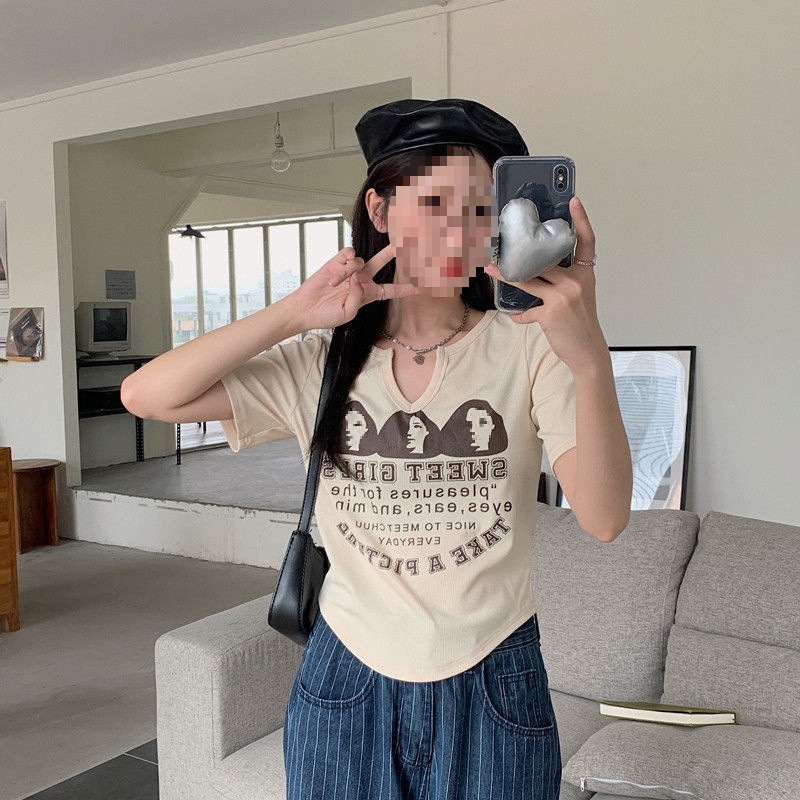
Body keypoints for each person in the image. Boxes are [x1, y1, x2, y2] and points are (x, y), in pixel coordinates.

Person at [121, 98, 632, 799]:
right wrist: (295, 313)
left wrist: (590, 356)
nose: (459, 230)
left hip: (493, 677)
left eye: (481, 209)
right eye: (434, 203)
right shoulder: (322, 362)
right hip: (347, 677)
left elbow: (605, 518)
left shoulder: (529, 348)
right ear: (380, 209)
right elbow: (147, 396)